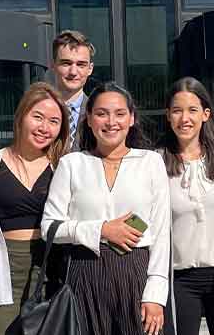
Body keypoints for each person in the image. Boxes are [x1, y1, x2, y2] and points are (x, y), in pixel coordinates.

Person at [41, 82, 171, 335]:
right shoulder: (72, 164)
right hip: (84, 272)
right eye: (101, 113)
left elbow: (161, 233)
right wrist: (102, 230)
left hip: (136, 273)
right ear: (88, 119)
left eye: (120, 113)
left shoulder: (151, 162)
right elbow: (49, 228)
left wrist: (155, 294)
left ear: (131, 118)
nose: (111, 122)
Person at [0, 82, 72, 335]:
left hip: (48, 275)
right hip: (0, 275)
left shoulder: (64, 167)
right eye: (37, 117)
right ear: (21, 117)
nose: (44, 127)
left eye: (53, 121)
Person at [158, 77, 214, 335]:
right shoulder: (156, 162)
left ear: (206, 114)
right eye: (177, 110)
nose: (185, 118)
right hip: (179, 278)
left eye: (192, 110)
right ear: (168, 115)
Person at [52, 30, 95, 152]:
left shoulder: (98, 112)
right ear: (53, 65)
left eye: (81, 65)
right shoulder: (39, 110)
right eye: (66, 63)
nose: (73, 72)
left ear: (90, 69)